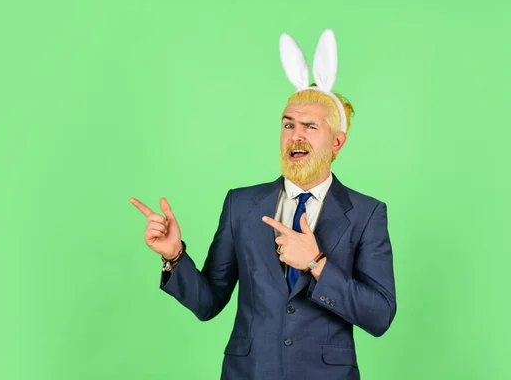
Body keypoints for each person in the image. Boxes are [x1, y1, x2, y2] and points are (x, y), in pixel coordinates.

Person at [130, 29, 396, 380]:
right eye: (288, 124)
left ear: (337, 142)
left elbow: (379, 316)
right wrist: (174, 256)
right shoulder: (241, 204)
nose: (295, 135)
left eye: (309, 127)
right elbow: (208, 302)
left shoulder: (366, 213)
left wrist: (316, 263)